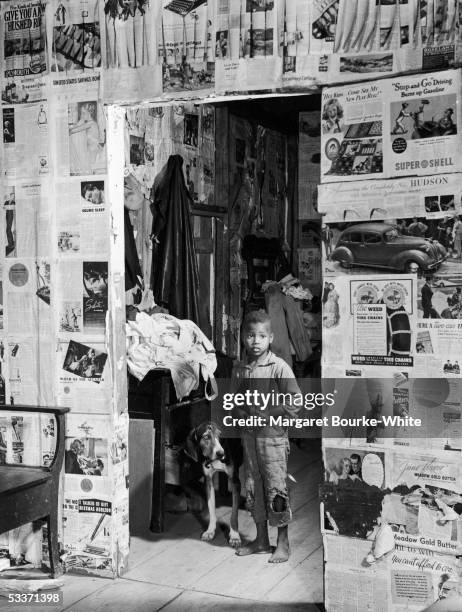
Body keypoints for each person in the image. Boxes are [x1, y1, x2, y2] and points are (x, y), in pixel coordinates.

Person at [233, 310, 302, 564]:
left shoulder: (278, 367)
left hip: (272, 441)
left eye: (261, 336)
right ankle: (261, 539)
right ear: (243, 337)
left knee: (276, 488)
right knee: (254, 487)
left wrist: (268, 414)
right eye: (250, 335)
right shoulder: (240, 369)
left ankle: (282, 542)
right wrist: (241, 413)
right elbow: (233, 401)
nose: (255, 341)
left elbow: (295, 401)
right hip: (249, 441)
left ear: (270, 337)